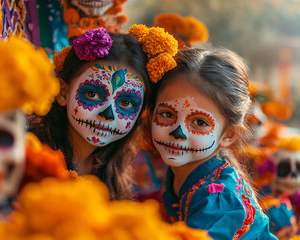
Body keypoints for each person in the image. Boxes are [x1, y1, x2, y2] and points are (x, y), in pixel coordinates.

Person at [151, 47, 278, 239]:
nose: (178, 133)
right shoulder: (182, 169)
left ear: (229, 134)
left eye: (200, 122)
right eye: (167, 114)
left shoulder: (217, 197)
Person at [31, 27, 151, 200]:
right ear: (63, 93)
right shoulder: (31, 156)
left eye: (125, 103)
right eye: (93, 94)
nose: (108, 114)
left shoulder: (113, 175)